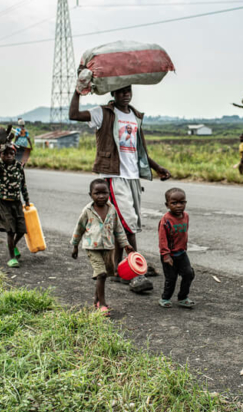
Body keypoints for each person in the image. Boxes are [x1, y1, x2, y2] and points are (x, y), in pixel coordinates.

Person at [69, 85, 172, 294]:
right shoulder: (103, 113)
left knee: (123, 225)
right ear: (113, 94)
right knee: (129, 225)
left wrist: (157, 168)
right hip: (114, 177)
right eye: (121, 91)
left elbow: (139, 150)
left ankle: (118, 268)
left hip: (133, 177)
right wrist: (78, 92)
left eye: (128, 91)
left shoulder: (135, 116)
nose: (125, 94)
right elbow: (74, 114)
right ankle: (136, 271)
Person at [71, 179, 134, 315]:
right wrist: (75, 246)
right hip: (92, 248)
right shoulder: (88, 210)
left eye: (104, 193)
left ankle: (97, 300)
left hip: (108, 247)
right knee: (101, 273)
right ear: (90, 195)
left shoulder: (112, 210)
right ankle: (103, 304)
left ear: (109, 193)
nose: (101, 196)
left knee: (104, 276)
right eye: (97, 193)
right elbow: (79, 228)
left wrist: (125, 244)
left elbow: (118, 229)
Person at [0, 143, 30, 268]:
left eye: (11, 153)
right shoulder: (0, 166)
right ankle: (12, 257)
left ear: (15, 155)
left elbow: (23, 184)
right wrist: (0, 147)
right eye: (5, 153)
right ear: (1, 155)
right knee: (10, 230)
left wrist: (27, 200)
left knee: (22, 229)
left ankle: (12, 244)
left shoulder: (19, 167)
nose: (8, 156)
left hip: (17, 202)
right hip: (4, 202)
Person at [158, 188, 195, 309]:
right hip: (169, 255)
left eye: (182, 202)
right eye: (174, 203)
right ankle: (165, 298)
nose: (179, 205)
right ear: (167, 205)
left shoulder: (186, 216)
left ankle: (183, 297)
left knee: (189, 274)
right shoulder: (166, 220)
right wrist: (165, 255)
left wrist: (184, 247)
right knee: (171, 278)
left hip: (181, 253)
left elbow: (184, 234)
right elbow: (162, 239)